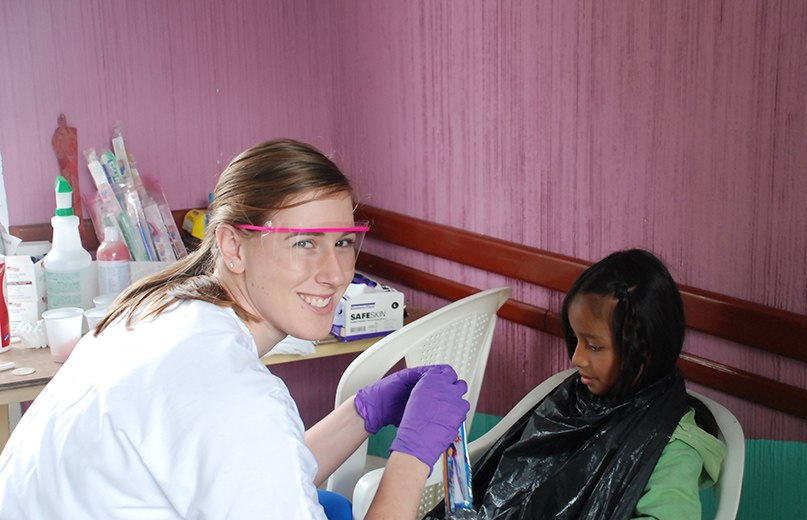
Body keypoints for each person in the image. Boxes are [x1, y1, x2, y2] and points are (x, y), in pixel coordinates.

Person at [0, 139, 469, 519]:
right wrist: (410, 458)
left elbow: (247, 472)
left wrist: (361, 413)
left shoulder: (160, 306)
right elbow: (239, 433)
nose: (334, 273)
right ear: (233, 246)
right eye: (303, 242)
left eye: (344, 242)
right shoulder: (231, 393)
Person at [429, 249, 725, 520]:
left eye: (594, 346)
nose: (576, 358)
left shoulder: (675, 445)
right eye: (576, 339)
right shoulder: (571, 398)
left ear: (644, 350)